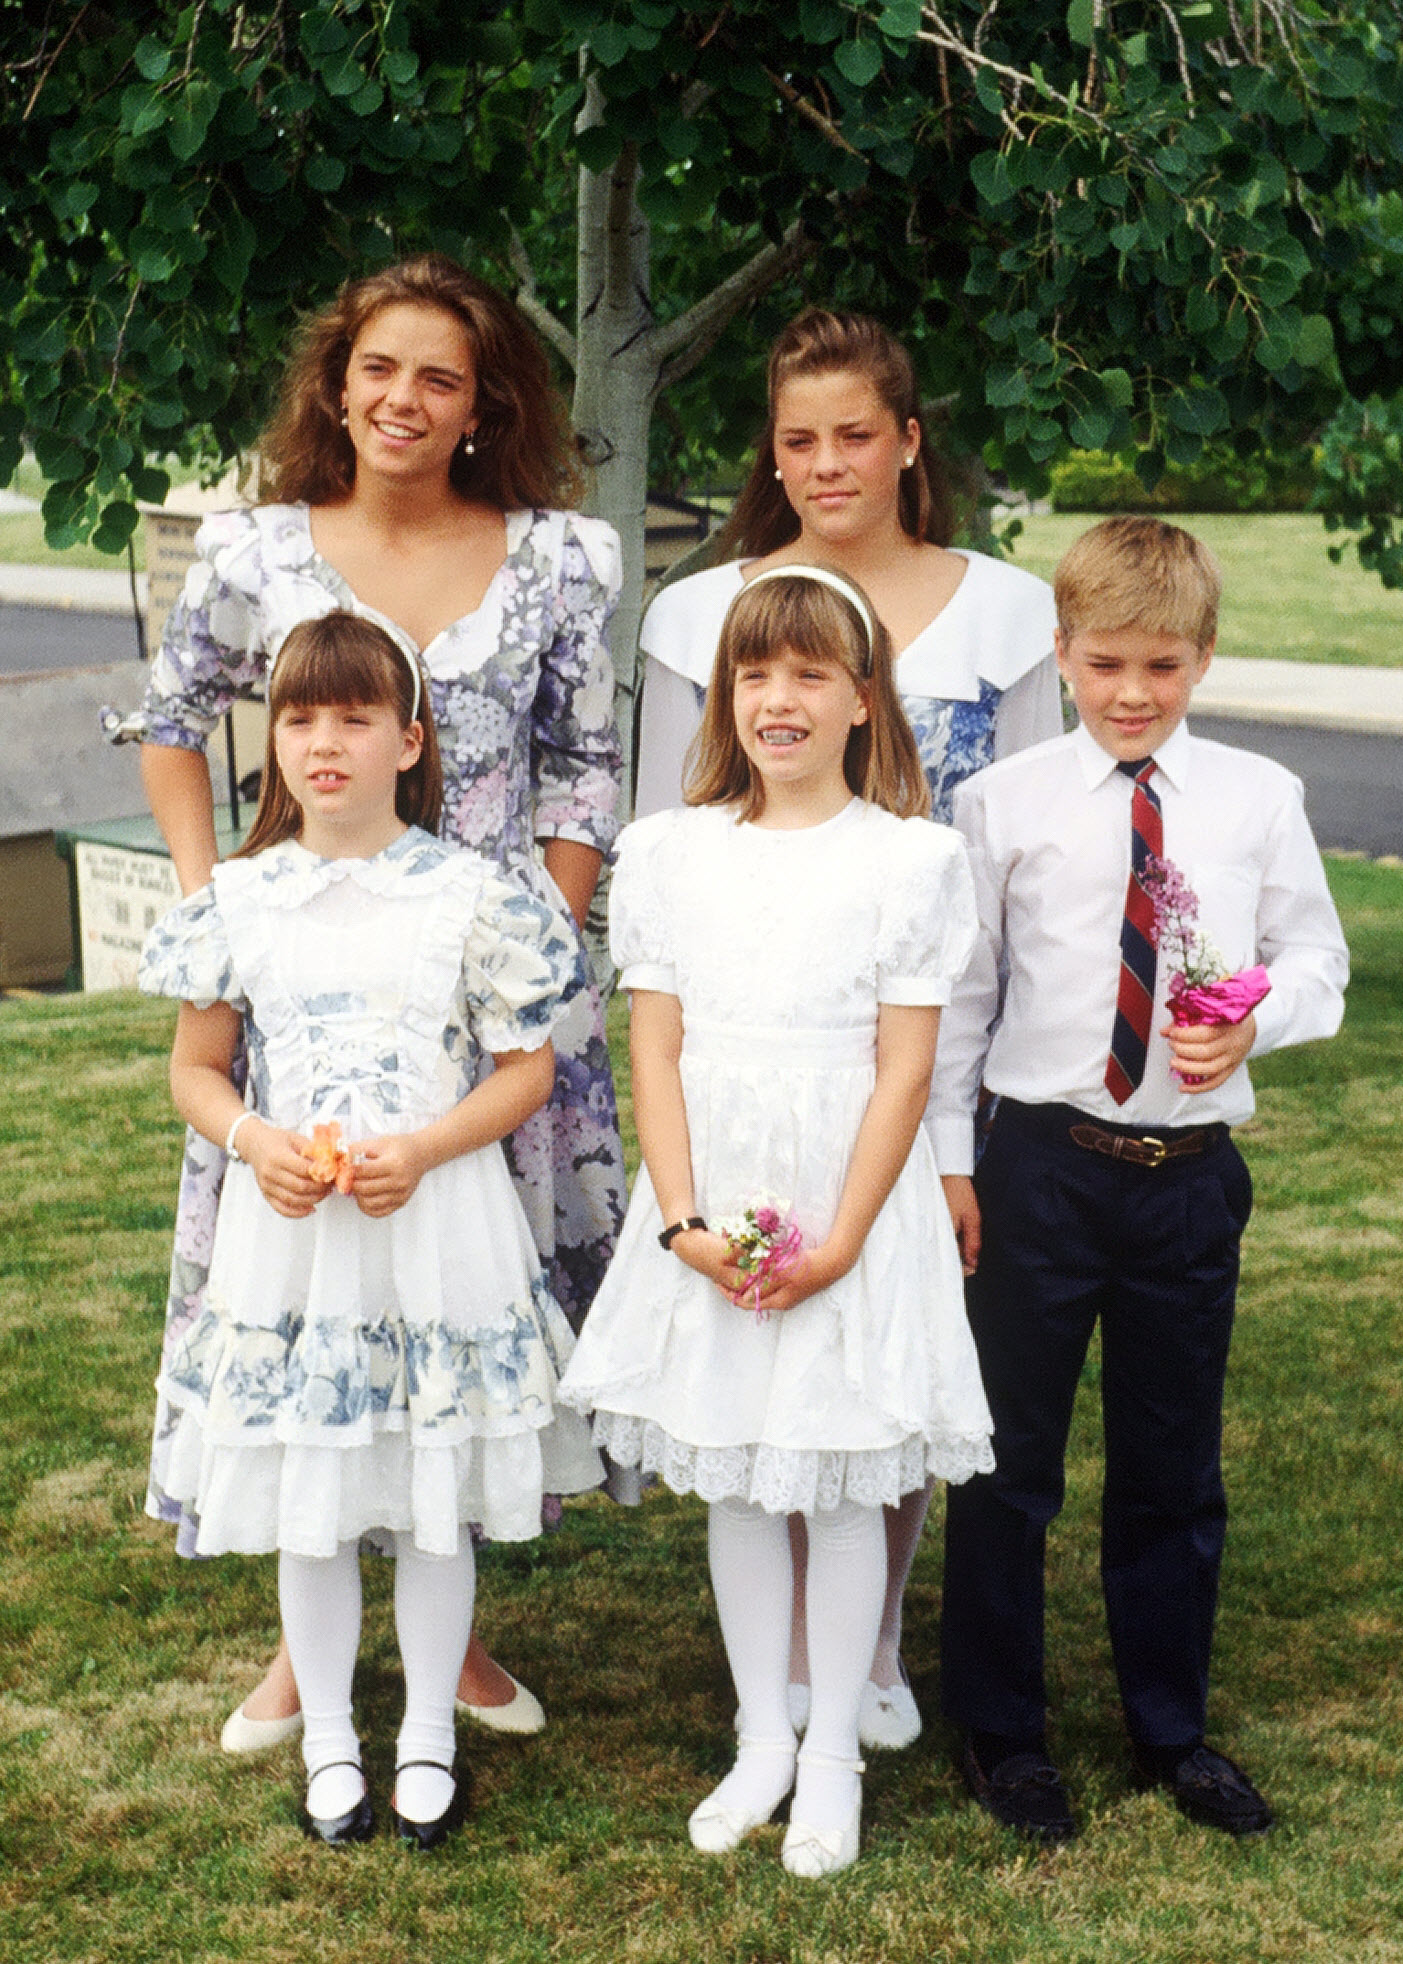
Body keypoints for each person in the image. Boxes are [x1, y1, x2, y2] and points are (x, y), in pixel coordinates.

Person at [104, 253, 626, 1750]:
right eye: (379, 369)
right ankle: (304, 1636)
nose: (405, 399)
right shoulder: (254, 550)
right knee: (302, 1284)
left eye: (441, 378)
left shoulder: (560, 558)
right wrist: (217, 900)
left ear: (485, 407)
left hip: (482, 990)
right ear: (337, 385)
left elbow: (588, 761)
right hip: (311, 981)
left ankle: (452, 1636)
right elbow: (172, 715)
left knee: (464, 1289)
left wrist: (534, 935)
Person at [634, 307, 1061, 1752]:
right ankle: (783, 1690)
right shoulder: (712, 617)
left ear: (909, 443)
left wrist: (953, 1128)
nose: (827, 463)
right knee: (777, 1335)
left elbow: (1021, 855)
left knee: (893, 1342)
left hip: (939, 1034)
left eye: (855, 435)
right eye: (798, 439)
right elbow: (676, 837)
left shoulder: (1003, 613)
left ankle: (872, 1644)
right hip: (769, 1039)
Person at [136, 612, 602, 1846]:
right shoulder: (235, 899)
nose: (324, 742)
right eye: (299, 718)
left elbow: (526, 1071)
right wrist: (253, 1141)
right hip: (293, 1236)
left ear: (410, 738)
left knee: (431, 1486)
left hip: (434, 1221)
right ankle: (333, 1733)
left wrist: (428, 1146)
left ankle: (430, 1739)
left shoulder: (469, 895)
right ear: (273, 740)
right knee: (318, 1488)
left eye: (353, 718)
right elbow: (198, 1071)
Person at [560, 567, 995, 1878]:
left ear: (863, 700)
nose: (779, 699)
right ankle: (760, 1735)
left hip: (846, 1203)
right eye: (755, 675)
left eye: (810, 674)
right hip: (717, 1203)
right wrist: (684, 1220)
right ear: (725, 695)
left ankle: (834, 1761)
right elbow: (656, 1048)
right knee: (742, 1471)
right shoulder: (672, 852)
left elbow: (907, 1070)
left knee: (842, 1466)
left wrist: (846, 1239)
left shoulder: (910, 859)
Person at [928, 517, 1349, 1843]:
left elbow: (1316, 963)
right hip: (1043, 1167)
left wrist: (1252, 1018)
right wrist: (953, 1167)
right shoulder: (1003, 805)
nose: (1130, 694)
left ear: (1204, 659)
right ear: (1060, 655)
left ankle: (1171, 1730)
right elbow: (960, 1004)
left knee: (1171, 1469)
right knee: (1009, 1465)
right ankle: (1004, 1736)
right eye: (1105, 664)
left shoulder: (1256, 800)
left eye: (1161, 668)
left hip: (1185, 1177)